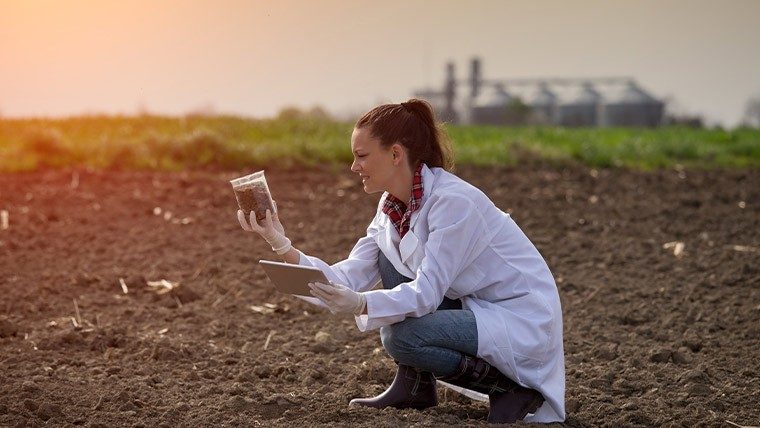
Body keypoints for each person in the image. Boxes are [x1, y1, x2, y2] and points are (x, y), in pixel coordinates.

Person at [237, 99, 565, 423]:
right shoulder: (391, 206)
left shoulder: (453, 203)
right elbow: (346, 276)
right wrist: (279, 242)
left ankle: (510, 389)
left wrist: (362, 303)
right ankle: (415, 385)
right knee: (390, 256)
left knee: (402, 337)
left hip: (519, 316)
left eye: (361, 156)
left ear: (395, 154)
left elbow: (426, 294)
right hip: (476, 305)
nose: (354, 167)